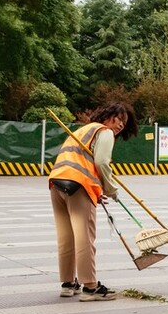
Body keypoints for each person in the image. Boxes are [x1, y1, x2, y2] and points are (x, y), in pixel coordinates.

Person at [48, 103, 138, 301]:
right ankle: (90, 287)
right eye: (119, 119)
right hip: (78, 185)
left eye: (125, 122)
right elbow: (102, 162)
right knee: (84, 238)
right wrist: (111, 189)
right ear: (107, 116)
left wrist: (96, 190)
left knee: (66, 237)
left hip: (57, 183)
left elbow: (82, 162)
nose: (121, 124)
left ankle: (68, 284)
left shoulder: (82, 131)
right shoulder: (104, 132)